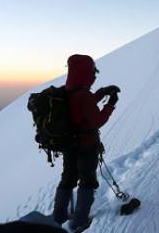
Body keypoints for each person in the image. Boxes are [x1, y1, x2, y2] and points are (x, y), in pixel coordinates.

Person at [52, 54, 120, 232]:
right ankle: (79, 221)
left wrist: (102, 92)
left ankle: (58, 216)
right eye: (92, 71)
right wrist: (110, 104)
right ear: (85, 72)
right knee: (87, 181)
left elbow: (82, 106)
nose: (94, 74)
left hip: (69, 145)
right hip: (86, 146)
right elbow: (96, 120)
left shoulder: (68, 90)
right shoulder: (83, 94)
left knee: (67, 178)